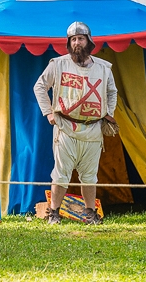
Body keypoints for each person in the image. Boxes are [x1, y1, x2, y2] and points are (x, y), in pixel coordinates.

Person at [33, 21, 117, 225]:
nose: (77, 43)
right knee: (61, 174)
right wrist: (48, 113)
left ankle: (90, 213)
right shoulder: (58, 64)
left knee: (89, 176)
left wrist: (108, 113)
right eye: (73, 39)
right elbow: (40, 86)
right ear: (68, 43)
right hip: (66, 128)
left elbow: (111, 92)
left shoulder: (104, 69)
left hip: (93, 129)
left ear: (89, 41)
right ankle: (54, 212)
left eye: (81, 38)